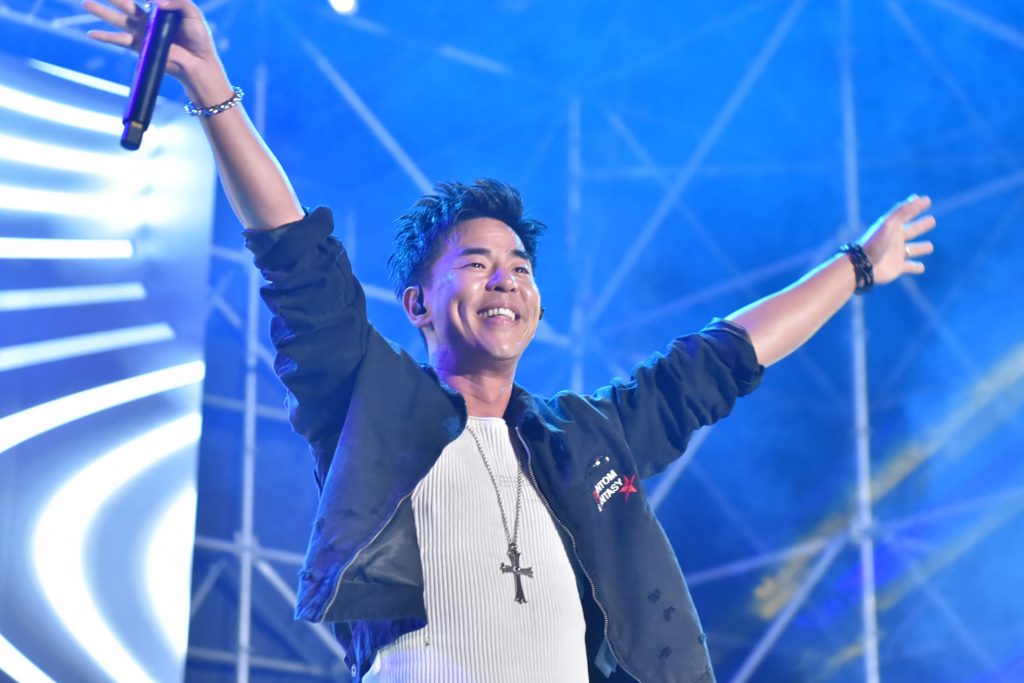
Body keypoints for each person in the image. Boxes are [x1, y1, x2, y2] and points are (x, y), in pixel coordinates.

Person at [84, 1, 938, 681]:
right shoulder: (368, 402)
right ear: (418, 304)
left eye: (520, 267)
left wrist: (859, 264)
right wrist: (212, 87)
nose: (505, 280)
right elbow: (295, 258)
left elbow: (724, 357)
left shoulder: (587, 437)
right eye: (478, 264)